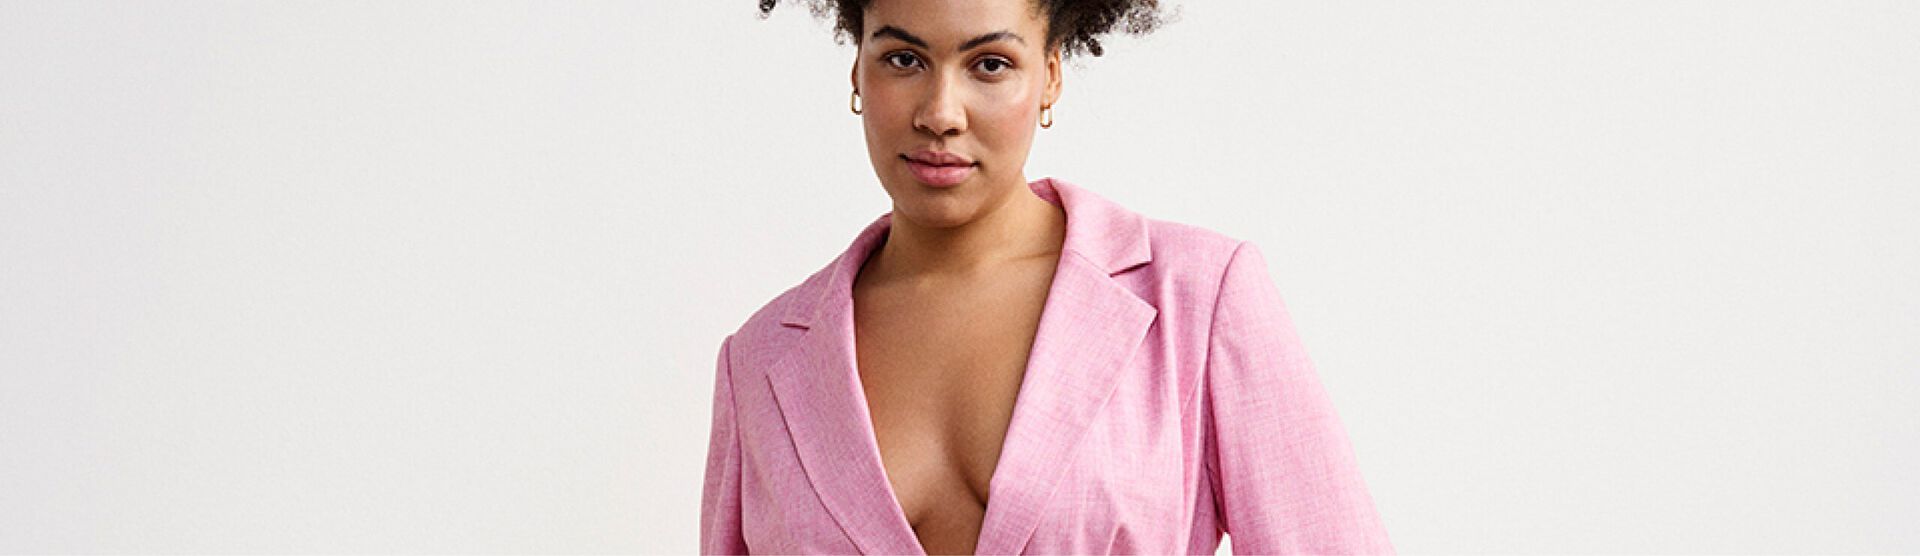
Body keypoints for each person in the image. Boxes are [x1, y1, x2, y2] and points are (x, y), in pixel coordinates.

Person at [702, 0, 1394, 553]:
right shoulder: (760, 361)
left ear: (1051, 75)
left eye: (991, 64)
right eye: (904, 59)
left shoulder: (1199, 299)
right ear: (858, 70)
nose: (940, 112)